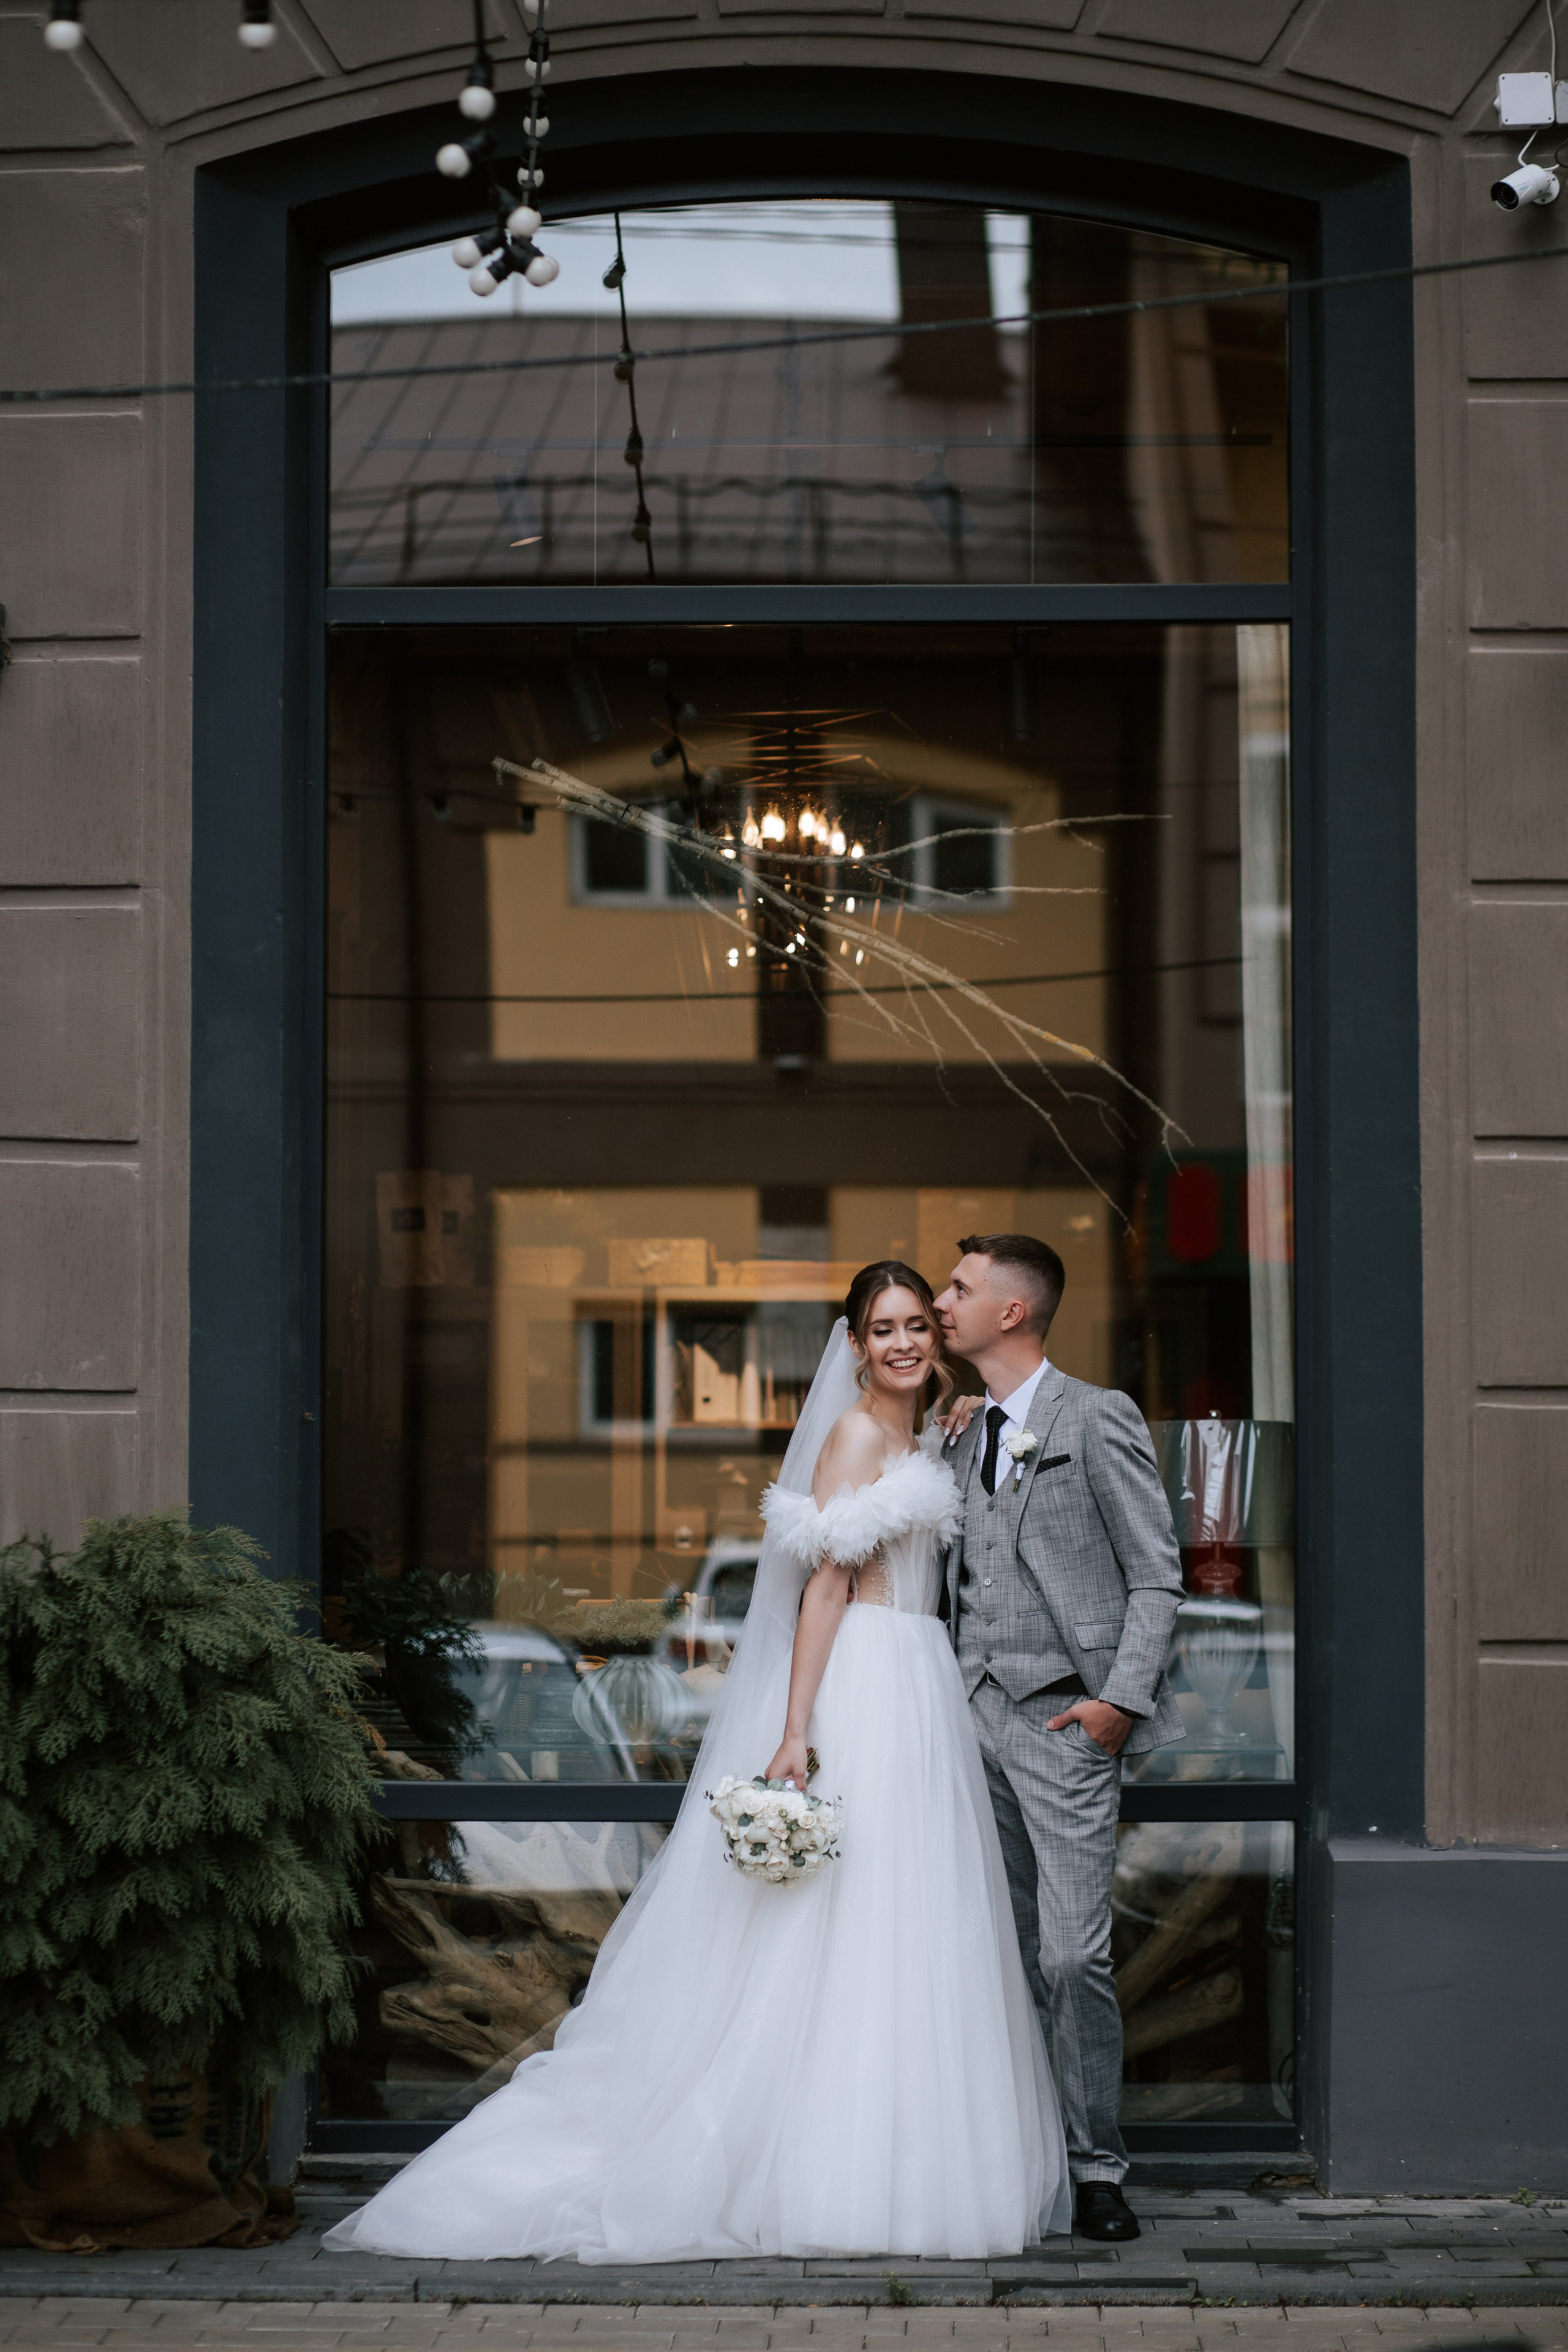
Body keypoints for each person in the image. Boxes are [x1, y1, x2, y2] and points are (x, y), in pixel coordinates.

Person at [324, 1261, 1070, 2265]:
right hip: (869, 1681)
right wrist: (798, 1726)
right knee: (841, 1922)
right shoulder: (853, 1434)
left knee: (913, 1918)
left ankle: (898, 2154)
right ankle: (820, 2165)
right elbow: (823, 1591)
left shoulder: (923, 1427)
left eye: (916, 1329)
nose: (902, 1344)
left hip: (923, 1683)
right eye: (881, 1330)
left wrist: (955, 1424)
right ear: (852, 1344)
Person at [933, 1235, 1185, 2247]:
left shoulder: (1098, 1416)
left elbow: (1157, 1576)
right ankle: (1018, 2157)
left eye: (957, 1289)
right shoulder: (957, 1431)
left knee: (1070, 1956)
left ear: (1011, 1313)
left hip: (1062, 1720)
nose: (942, 1303)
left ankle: (1095, 2167)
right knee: (988, 1955)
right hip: (964, 1717)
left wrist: (1117, 1704)